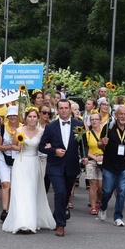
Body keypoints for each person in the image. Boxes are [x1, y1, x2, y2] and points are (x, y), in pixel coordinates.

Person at [38, 99, 88, 236]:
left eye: (66, 108)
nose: (64, 110)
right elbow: (41, 146)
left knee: (66, 194)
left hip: (71, 165)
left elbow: (84, 144)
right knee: (59, 192)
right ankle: (61, 224)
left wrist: (84, 156)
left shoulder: (79, 124)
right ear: (57, 109)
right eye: (61, 108)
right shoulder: (51, 126)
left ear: (70, 109)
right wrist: (54, 151)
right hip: (55, 166)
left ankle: (56, 216)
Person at [2, 107, 55, 234]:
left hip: (33, 163)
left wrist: (49, 146)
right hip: (21, 163)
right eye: (30, 116)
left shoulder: (41, 131)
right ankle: (21, 222)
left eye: (34, 117)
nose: (32, 119)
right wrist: (18, 147)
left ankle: (31, 221)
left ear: (38, 118)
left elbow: (44, 145)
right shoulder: (19, 130)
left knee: (31, 192)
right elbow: (13, 145)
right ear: (25, 118)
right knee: (20, 192)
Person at [97, 105, 125, 227]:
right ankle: (103, 208)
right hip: (109, 165)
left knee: (121, 191)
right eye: (121, 114)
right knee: (107, 191)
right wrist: (102, 143)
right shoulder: (108, 127)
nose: (123, 116)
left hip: (124, 166)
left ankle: (118, 216)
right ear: (115, 115)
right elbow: (99, 144)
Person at [0, 105, 21, 221]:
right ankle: (5, 210)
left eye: (14, 115)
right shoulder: (1, 129)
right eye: (10, 115)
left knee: (15, 186)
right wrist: (11, 146)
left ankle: (13, 210)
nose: (12, 117)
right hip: (3, 159)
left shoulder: (22, 129)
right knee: (6, 184)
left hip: (19, 160)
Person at [85, 111, 104, 215]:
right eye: (92, 119)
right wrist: (94, 158)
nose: (94, 121)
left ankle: (98, 200)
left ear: (100, 121)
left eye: (96, 119)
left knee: (101, 186)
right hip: (92, 160)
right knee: (93, 185)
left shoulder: (105, 134)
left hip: (104, 160)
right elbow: (84, 149)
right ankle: (93, 206)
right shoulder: (87, 134)